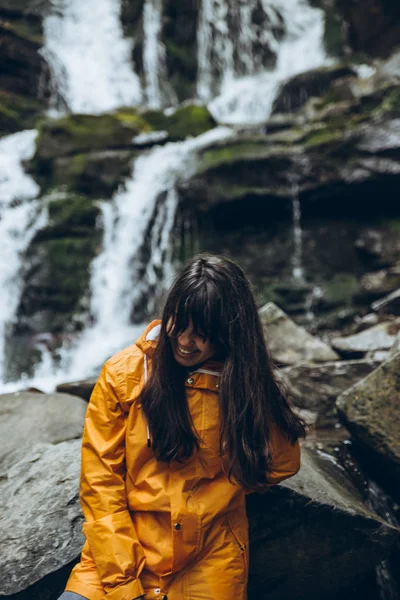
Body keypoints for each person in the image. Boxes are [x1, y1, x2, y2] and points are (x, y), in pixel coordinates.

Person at [59, 254, 306, 600]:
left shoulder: (244, 385)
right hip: (118, 554)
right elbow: (100, 485)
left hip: (210, 561)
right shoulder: (123, 373)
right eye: (180, 325)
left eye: (202, 334)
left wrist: (251, 385)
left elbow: (282, 462)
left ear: (229, 333)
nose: (186, 341)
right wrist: (123, 583)